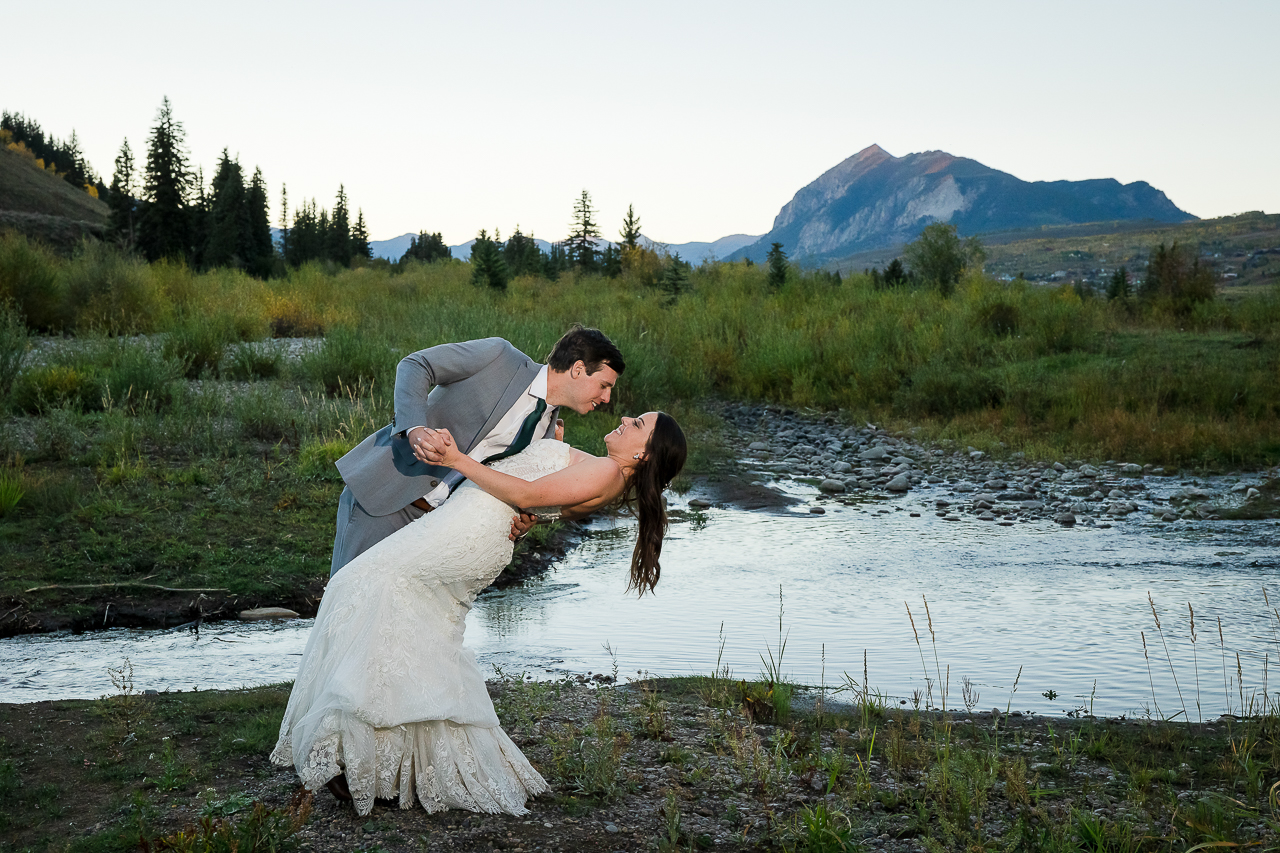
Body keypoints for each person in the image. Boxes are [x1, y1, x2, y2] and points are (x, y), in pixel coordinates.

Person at [270, 411, 687, 817]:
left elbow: (526, 497)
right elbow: (542, 503)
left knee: (363, 584)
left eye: (638, 425)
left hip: (469, 535)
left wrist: (456, 461)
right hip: (468, 527)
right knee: (411, 626)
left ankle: (361, 755)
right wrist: (541, 484)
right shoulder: (605, 472)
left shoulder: (608, 474)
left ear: (644, 455)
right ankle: (377, 763)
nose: (626, 420)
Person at [330, 326, 625, 575]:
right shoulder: (499, 357)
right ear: (577, 369)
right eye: (603, 385)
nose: (607, 397)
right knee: (345, 608)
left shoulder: (548, 434)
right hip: (385, 498)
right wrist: (414, 429)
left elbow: (504, 488)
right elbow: (417, 365)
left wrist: (521, 525)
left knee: (381, 629)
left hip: (429, 534)